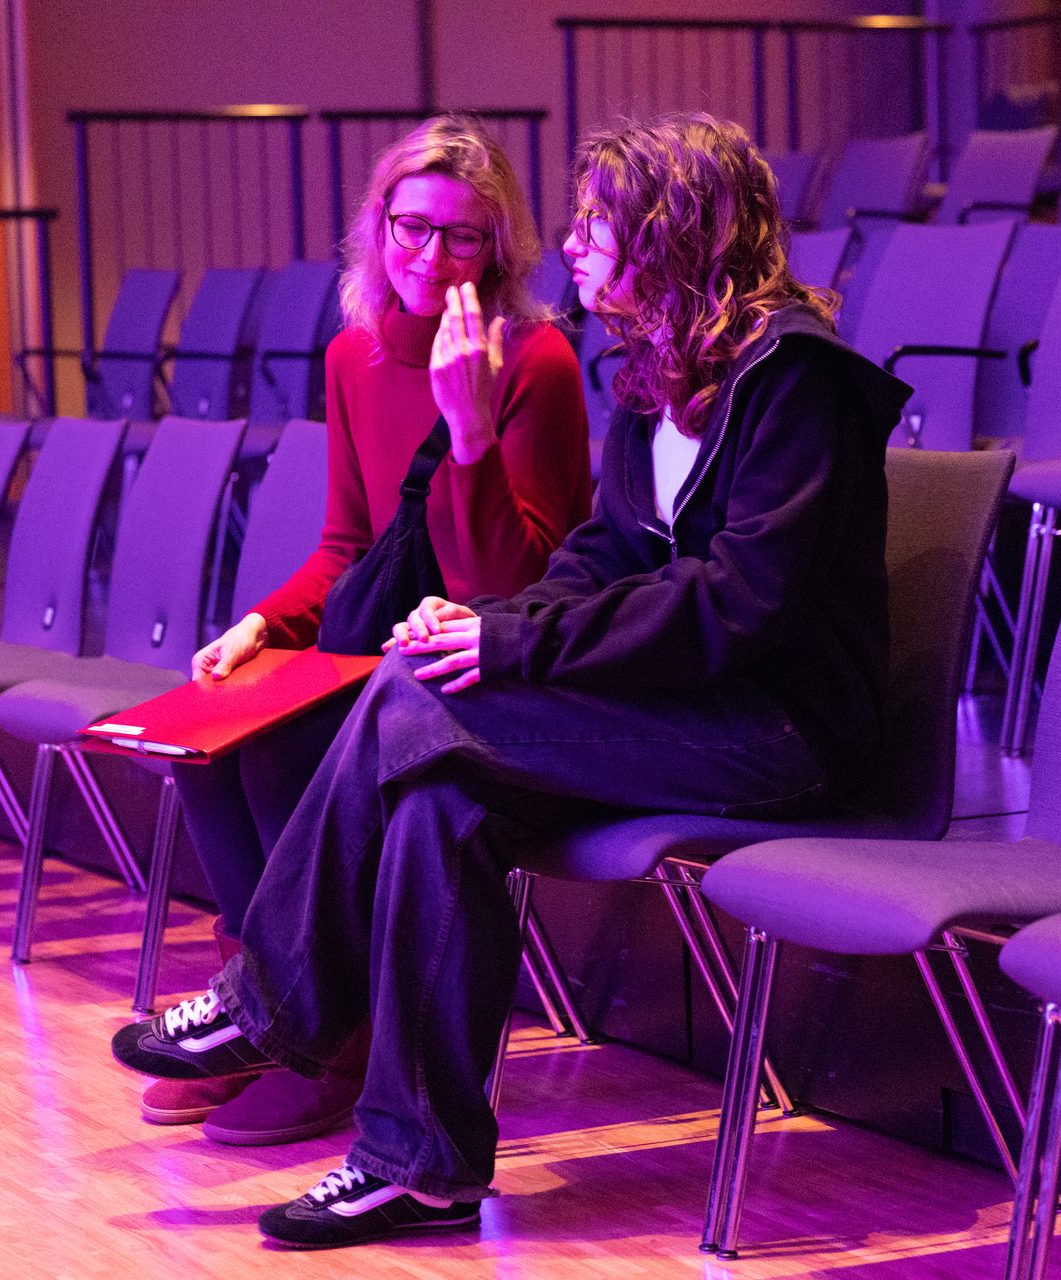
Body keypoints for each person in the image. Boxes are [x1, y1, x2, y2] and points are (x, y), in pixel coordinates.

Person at [114, 111, 912, 1248]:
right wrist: (483, 619)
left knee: (412, 695)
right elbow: (603, 556)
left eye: (595, 226)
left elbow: (737, 604)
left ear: (670, 234)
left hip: (777, 731)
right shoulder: (656, 372)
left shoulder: (797, 379)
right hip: (684, 710)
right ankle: (419, 1165)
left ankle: (274, 999)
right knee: (443, 793)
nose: (574, 249)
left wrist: (505, 648)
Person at [146, 115, 592, 1145]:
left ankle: (328, 1045)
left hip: (485, 651)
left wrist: (470, 426)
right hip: (385, 635)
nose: (432, 258)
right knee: (211, 742)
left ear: (501, 247)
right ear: (377, 227)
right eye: (412, 227)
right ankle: (263, 1012)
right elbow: (350, 542)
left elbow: (523, 582)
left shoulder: (537, 360)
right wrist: (259, 623)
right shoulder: (354, 354)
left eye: (464, 236)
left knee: (284, 753)